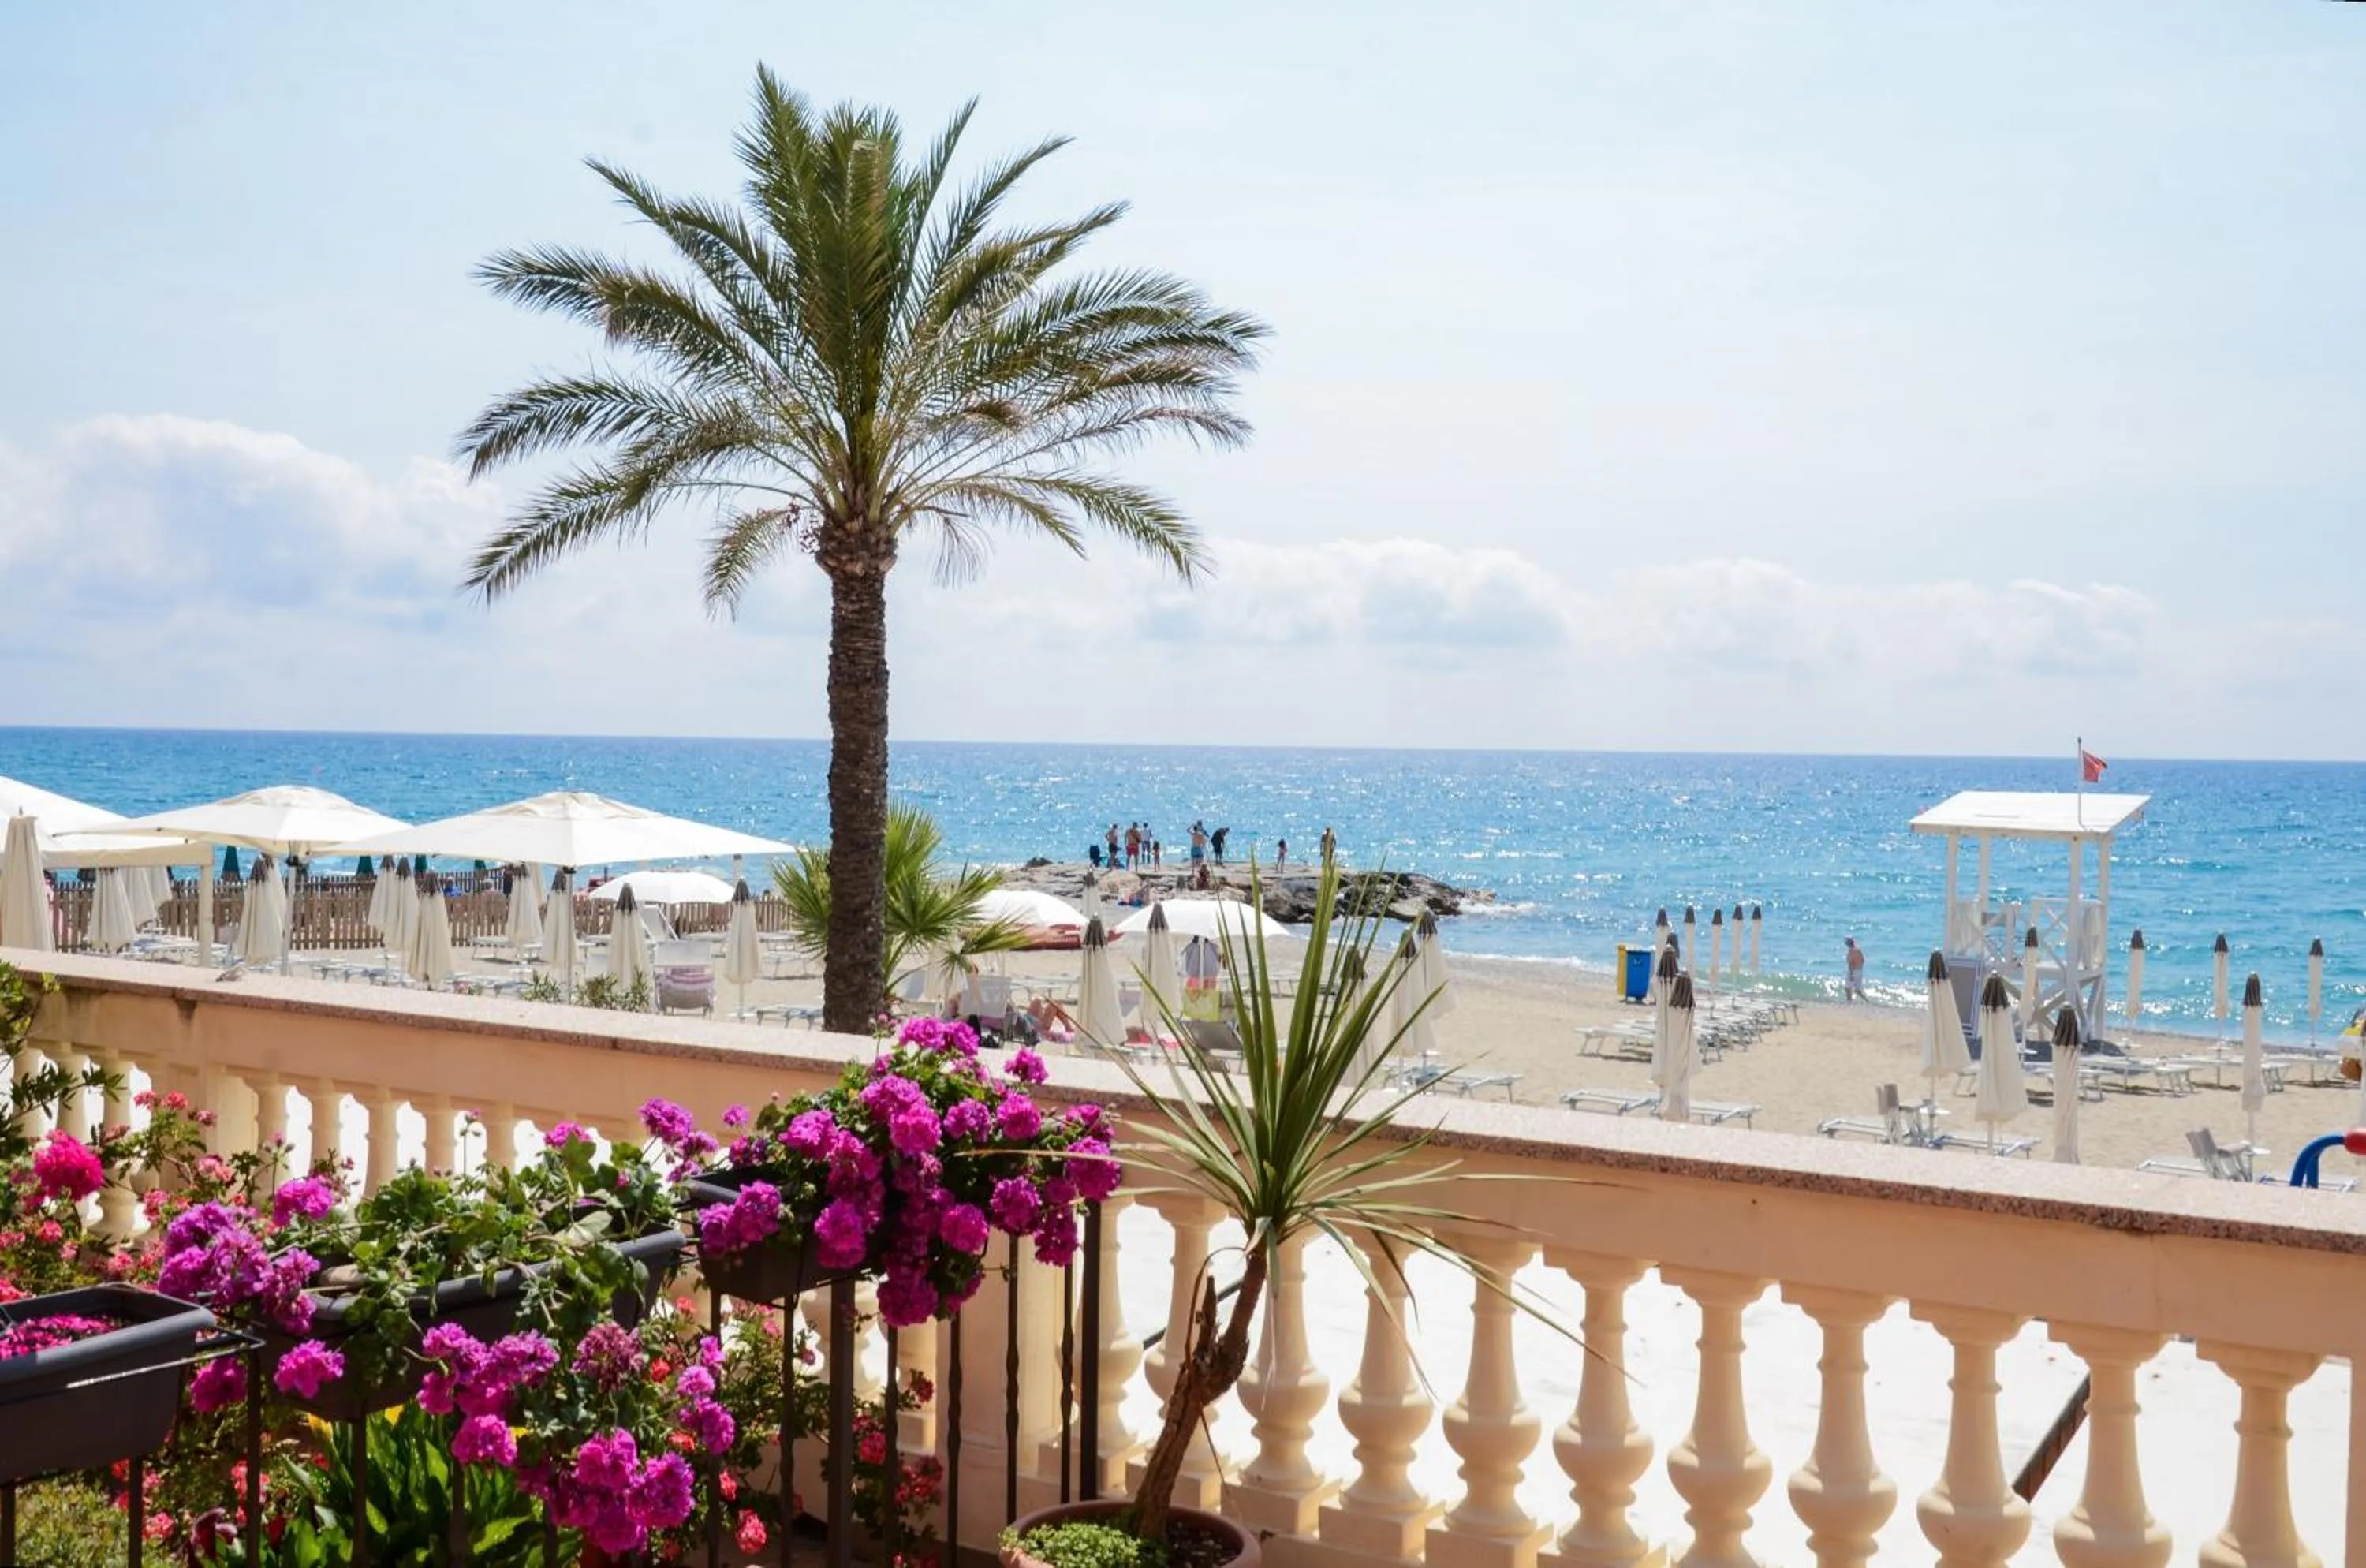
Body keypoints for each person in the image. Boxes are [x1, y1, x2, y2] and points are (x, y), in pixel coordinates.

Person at [1844, 936, 1866, 1002]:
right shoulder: (1858, 950)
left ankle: (1849, 1003)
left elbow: (1850, 963)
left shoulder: (1851, 951)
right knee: (1857, 990)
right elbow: (1863, 960)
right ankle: (1867, 1001)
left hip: (1853, 971)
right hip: (1860, 971)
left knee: (1848, 989)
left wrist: (1851, 974)